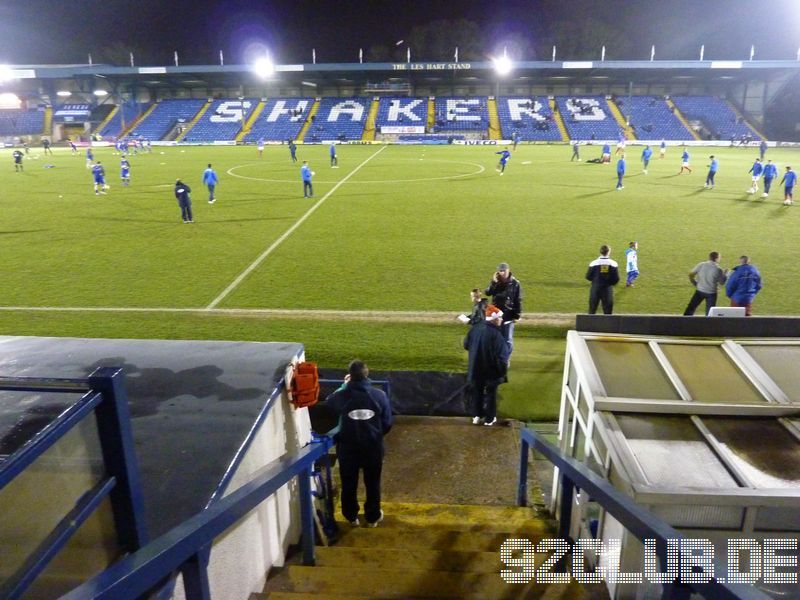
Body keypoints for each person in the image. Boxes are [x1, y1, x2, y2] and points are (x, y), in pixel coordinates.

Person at [325, 360, 392, 527]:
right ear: (366, 375)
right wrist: (374, 435)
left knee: (348, 483)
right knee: (373, 484)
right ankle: (373, 517)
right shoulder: (380, 395)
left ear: (350, 376)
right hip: (373, 447)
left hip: (348, 448)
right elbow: (387, 423)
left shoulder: (342, 395)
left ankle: (350, 516)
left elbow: (329, 403)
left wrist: (343, 387)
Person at [463, 304, 510, 427]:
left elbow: (466, 344)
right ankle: (489, 419)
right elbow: (502, 357)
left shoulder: (475, 328)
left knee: (477, 392)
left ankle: (476, 416)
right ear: (494, 319)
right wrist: (503, 372)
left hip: (475, 367)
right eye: (500, 318)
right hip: (491, 370)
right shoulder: (497, 335)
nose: (501, 320)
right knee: (490, 394)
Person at [485, 262, 522, 354]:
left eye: (504, 271)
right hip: (496, 314)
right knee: (495, 337)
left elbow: (518, 299)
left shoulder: (515, 283)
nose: (502, 273)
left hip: (508, 314)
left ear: (508, 271)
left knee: (507, 339)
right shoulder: (495, 281)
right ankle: (495, 358)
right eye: (500, 271)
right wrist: (493, 283)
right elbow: (488, 293)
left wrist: (517, 314)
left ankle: (505, 359)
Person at [683, 251, 728, 316]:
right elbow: (722, 282)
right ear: (717, 258)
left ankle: (684, 322)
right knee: (709, 312)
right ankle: (708, 325)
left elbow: (690, 275)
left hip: (699, 290)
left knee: (691, 308)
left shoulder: (701, 264)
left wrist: (695, 283)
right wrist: (725, 275)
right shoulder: (718, 269)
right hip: (711, 293)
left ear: (709, 257)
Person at [586, 245, 620, 314]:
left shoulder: (593, 263)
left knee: (592, 309)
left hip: (595, 288)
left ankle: (590, 324)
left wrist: (596, 281)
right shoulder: (613, 263)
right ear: (609, 252)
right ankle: (608, 324)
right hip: (607, 289)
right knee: (608, 310)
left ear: (600, 252)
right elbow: (616, 278)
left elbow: (588, 276)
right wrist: (610, 283)